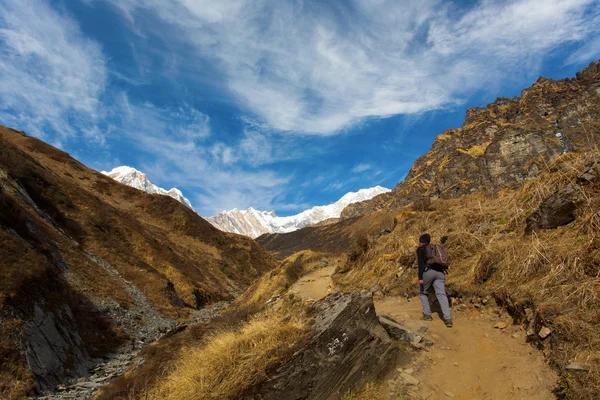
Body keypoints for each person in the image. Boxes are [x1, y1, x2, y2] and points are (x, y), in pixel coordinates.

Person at [417, 233, 453, 327]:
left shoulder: (421, 249)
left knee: (422, 292)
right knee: (441, 293)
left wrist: (420, 278)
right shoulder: (434, 248)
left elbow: (421, 264)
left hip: (428, 272)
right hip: (440, 273)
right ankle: (448, 318)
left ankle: (427, 315)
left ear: (421, 241)